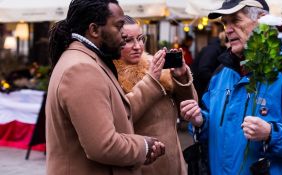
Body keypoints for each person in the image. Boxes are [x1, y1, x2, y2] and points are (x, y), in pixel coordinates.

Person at [180, 0, 282, 174]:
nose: (227, 29)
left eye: (235, 20)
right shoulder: (221, 72)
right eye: (225, 23)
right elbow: (209, 127)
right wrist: (200, 121)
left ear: (262, 20)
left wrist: (271, 133)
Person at [46, 0, 165, 174]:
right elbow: (103, 145)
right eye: (118, 27)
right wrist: (143, 146)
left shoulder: (86, 60)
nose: (123, 36)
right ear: (94, 30)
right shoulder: (82, 68)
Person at [113, 15, 197, 175]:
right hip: (142, 166)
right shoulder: (111, 76)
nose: (137, 46)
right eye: (128, 40)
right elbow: (122, 118)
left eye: (140, 39)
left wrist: (181, 77)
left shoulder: (157, 67)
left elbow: (189, 109)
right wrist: (151, 80)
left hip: (174, 162)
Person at [191, 31, 228, 101]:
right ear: (227, 42)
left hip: (203, 89)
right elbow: (203, 70)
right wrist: (218, 80)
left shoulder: (217, 48)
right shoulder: (213, 49)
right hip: (201, 89)